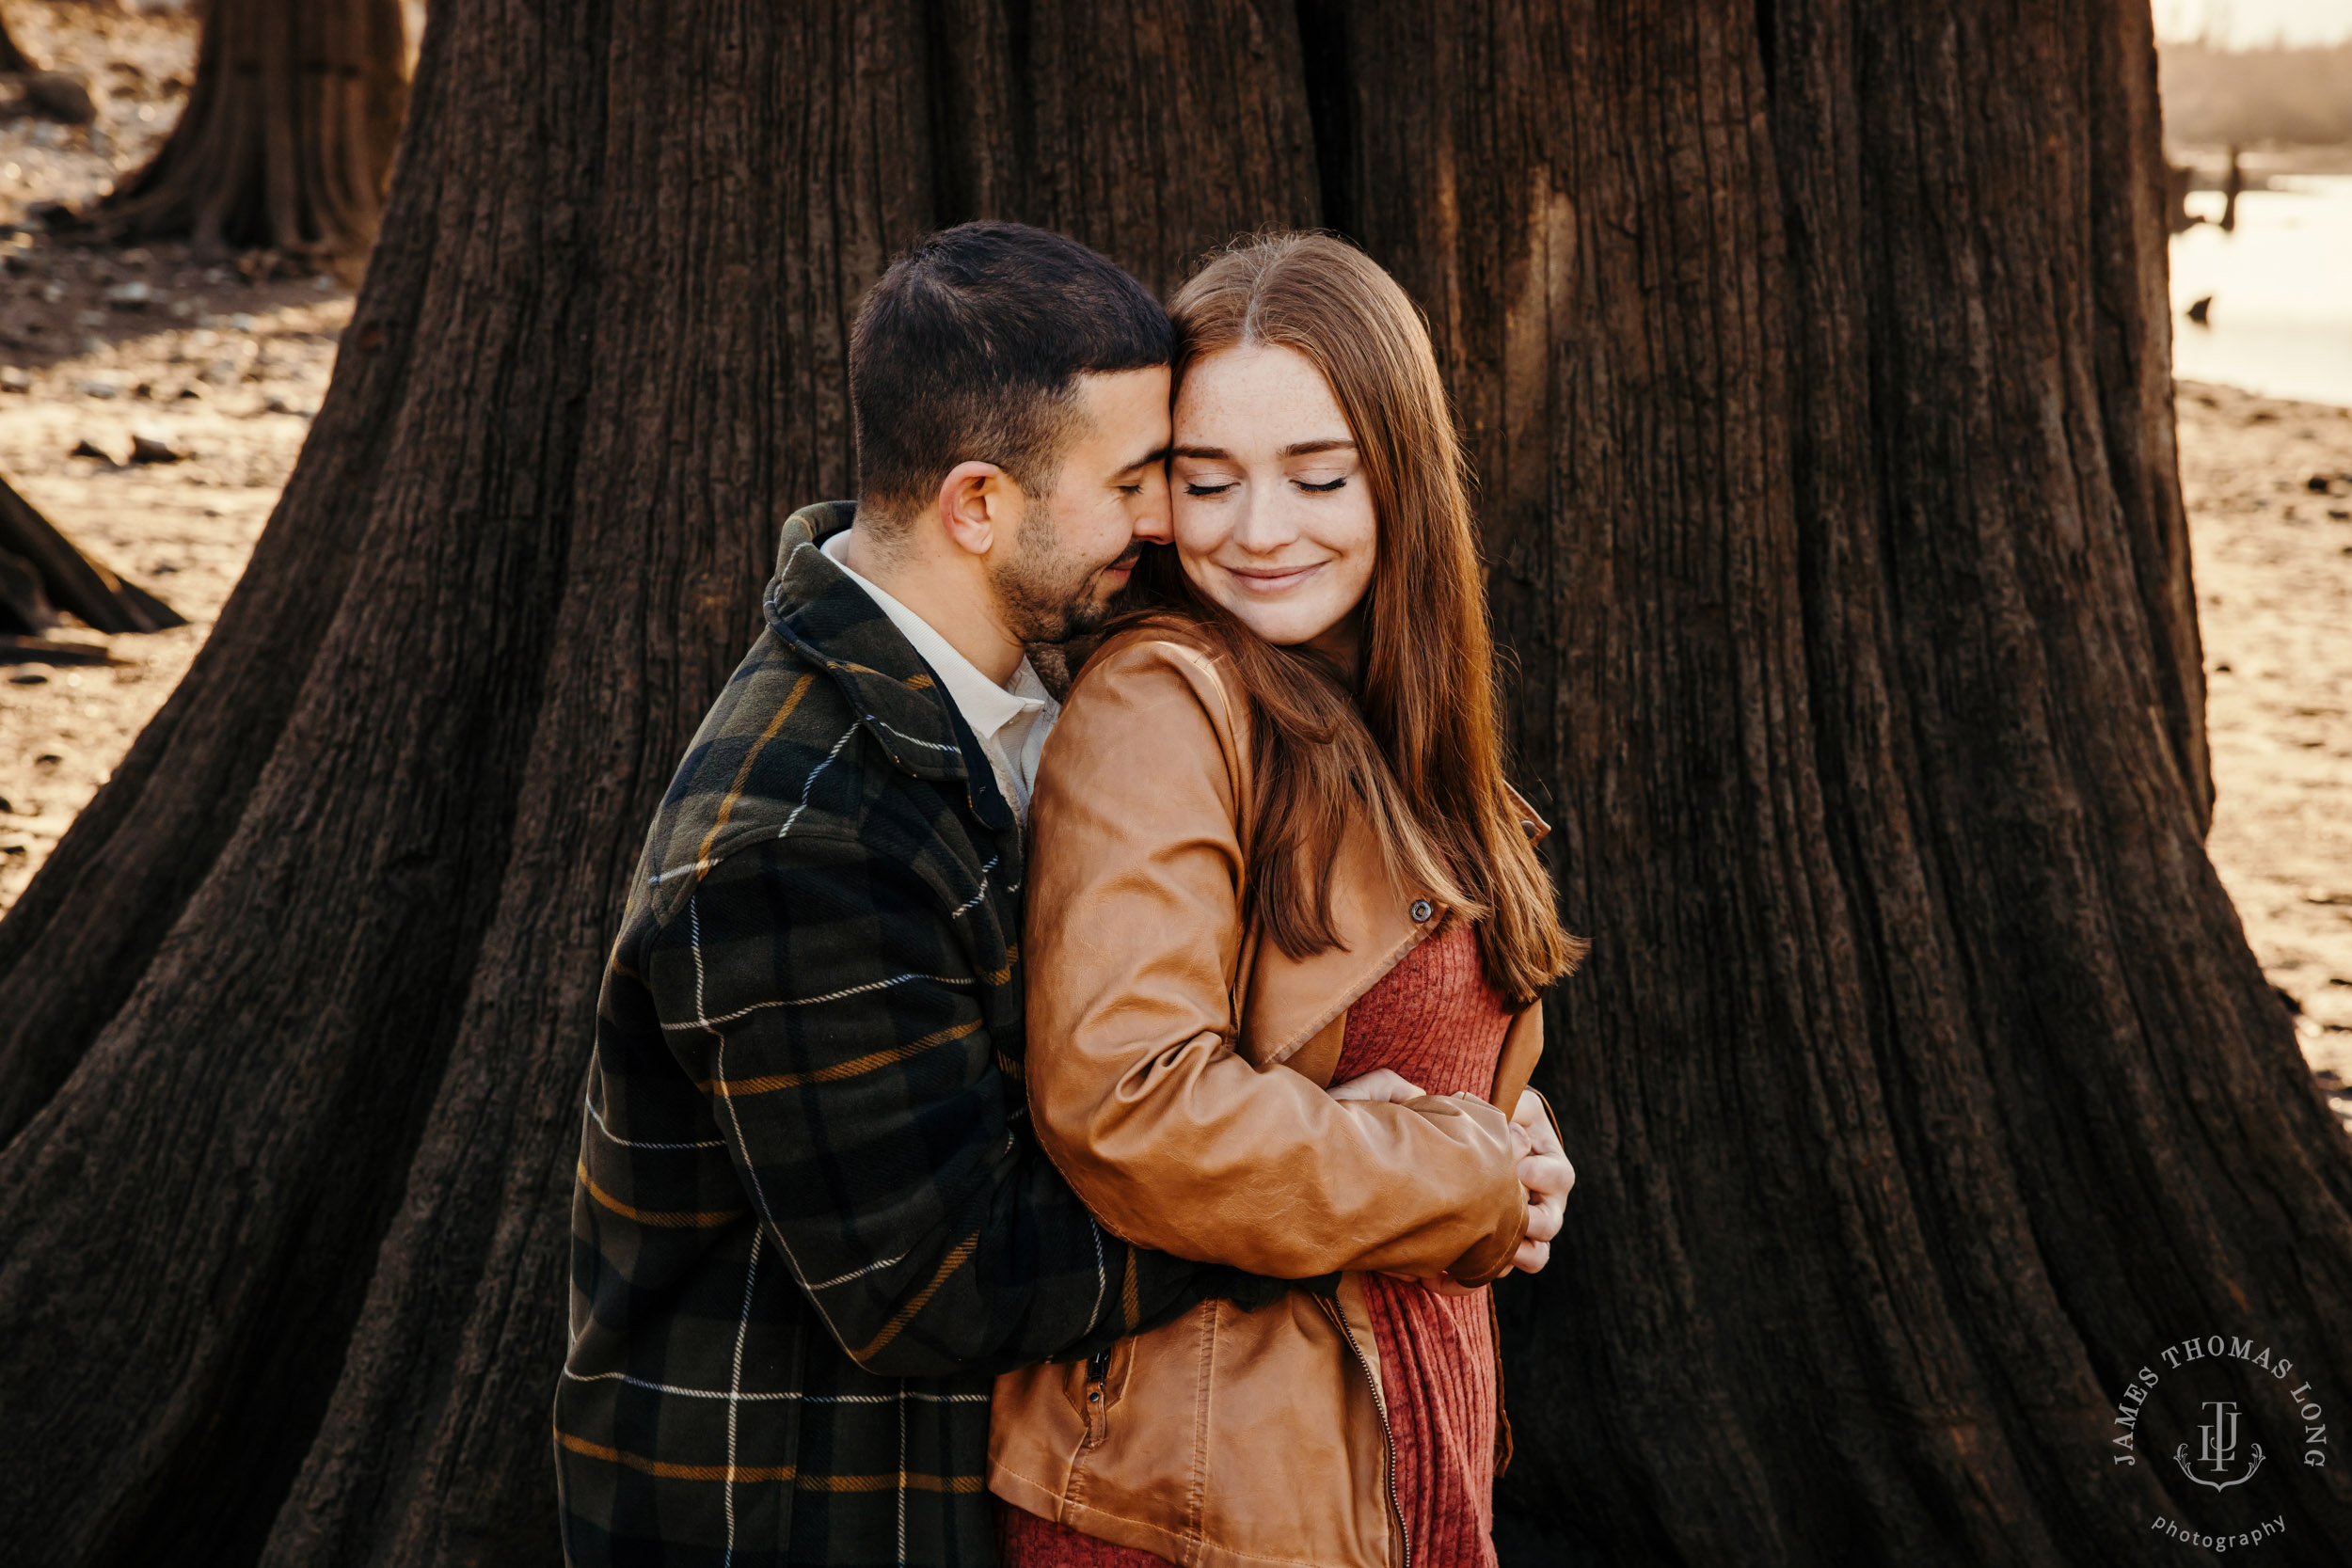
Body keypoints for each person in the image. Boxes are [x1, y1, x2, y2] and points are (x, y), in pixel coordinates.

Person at [555, 221, 1564, 1568]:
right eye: (1154, 477)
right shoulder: (799, 837)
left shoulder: (1003, 704)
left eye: (1313, 475)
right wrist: (1426, 1177)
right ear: (978, 505)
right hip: (803, 1504)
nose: (1175, 525)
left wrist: (1458, 1127)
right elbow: (946, 1283)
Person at [989, 231, 1587, 1568]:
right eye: (1208, 483)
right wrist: (1469, 1171)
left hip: (1380, 1437)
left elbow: (1364, 1039)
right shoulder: (1165, 700)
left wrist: (1512, 1136)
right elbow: (1131, 1104)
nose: (1260, 533)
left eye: (1319, 476)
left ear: (1402, 477)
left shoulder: (1388, 717)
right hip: (1195, 1495)